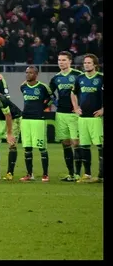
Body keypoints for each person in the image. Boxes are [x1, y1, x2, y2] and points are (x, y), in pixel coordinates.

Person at [49, 51, 84, 181]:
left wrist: (80, 106)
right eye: (59, 60)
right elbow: (49, 93)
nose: (61, 62)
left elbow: (84, 92)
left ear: (70, 61)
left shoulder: (78, 75)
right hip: (61, 114)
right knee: (65, 143)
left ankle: (78, 174)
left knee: (76, 142)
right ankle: (70, 173)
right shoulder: (56, 78)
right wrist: (54, 101)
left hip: (74, 114)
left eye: (64, 60)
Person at [71, 54, 104, 183]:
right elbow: (73, 93)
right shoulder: (80, 78)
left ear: (95, 64)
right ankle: (88, 174)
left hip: (96, 118)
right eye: (85, 63)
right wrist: (76, 107)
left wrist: (103, 109)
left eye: (89, 63)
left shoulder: (101, 78)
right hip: (83, 118)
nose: (86, 65)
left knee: (100, 146)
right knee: (84, 146)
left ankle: (101, 175)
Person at [19, 67, 53, 182]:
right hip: (25, 119)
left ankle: (45, 174)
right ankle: (29, 174)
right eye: (27, 72)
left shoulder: (42, 87)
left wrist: (42, 108)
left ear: (36, 74)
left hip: (38, 120)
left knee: (41, 147)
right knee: (27, 148)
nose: (28, 75)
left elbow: (52, 98)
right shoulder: (23, 87)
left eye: (31, 73)